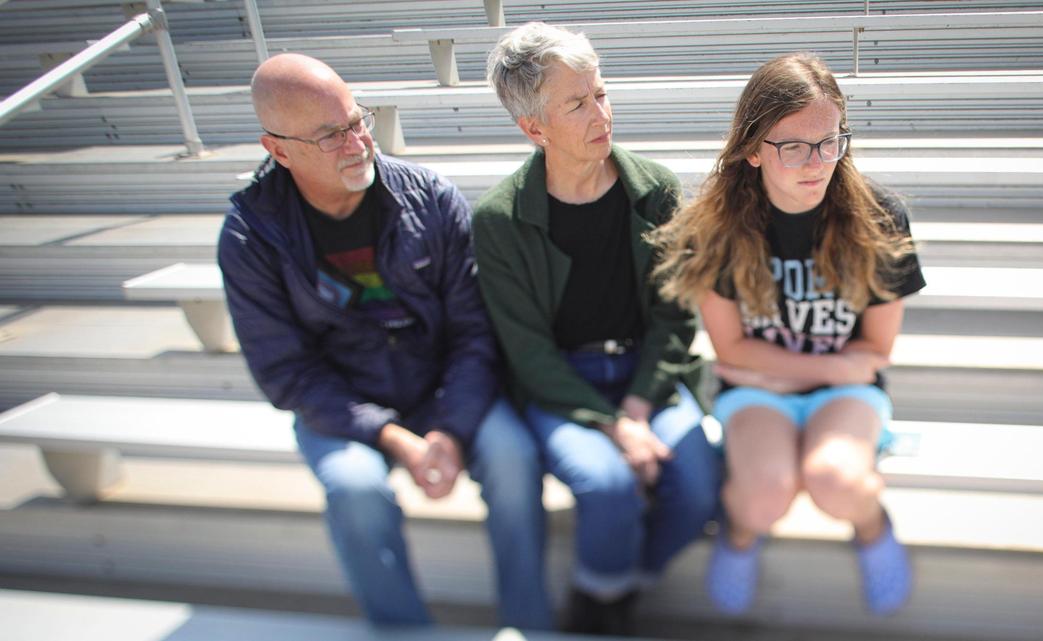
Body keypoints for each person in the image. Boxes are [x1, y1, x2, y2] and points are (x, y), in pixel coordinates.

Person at [217, 53, 552, 629]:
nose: (357, 143)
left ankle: (528, 624)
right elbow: (286, 373)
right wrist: (395, 439)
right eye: (330, 136)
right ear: (278, 150)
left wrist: (448, 430)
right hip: (344, 404)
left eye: (357, 121)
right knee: (353, 488)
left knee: (513, 456)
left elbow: (475, 332)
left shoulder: (429, 196)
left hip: (443, 390)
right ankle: (404, 631)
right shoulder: (252, 236)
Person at [650, 52, 925, 617]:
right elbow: (731, 351)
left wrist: (776, 368)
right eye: (793, 146)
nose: (817, 162)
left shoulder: (878, 216)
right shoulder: (720, 227)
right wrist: (824, 367)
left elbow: (876, 350)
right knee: (763, 495)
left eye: (829, 141)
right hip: (761, 393)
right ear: (753, 149)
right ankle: (742, 536)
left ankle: (872, 528)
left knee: (835, 480)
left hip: (844, 394)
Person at [474, 22, 720, 635]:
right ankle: (601, 613)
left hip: (648, 373)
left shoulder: (656, 189)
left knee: (697, 486)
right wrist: (612, 426)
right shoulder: (499, 219)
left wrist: (636, 410)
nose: (601, 113)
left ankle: (611, 585)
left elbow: (675, 312)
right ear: (534, 128)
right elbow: (527, 353)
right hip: (563, 386)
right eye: (578, 103)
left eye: (602, 93)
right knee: (607, 484)